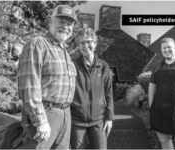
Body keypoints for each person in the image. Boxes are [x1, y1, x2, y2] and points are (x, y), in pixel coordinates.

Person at [17, 5, 77, 149]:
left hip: (65, 116)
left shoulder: (65, 52)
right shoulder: (38, 44)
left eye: (69, 24)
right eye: (61, 22)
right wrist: (40, 121)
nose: (65, 27)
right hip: (46, 114)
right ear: (51, 22)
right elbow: (28, 86)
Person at [70, 28, 114, 149]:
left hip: (98, 120)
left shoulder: (103, 66)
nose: (85, 45)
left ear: (95, 43)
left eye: (89, 41)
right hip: (77, 121)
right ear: (78, 45)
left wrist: (109, 118)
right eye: (82, 42)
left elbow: (109, 92)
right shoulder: (73, 65)